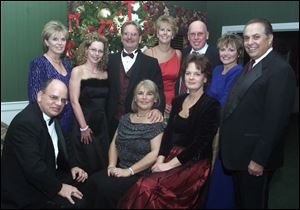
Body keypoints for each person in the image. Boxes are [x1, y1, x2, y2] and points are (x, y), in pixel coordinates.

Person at [119, 54, 220, 209]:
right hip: (171, 155)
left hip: (194, 163)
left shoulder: (211, 105)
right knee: (142, 184)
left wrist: (168, 166)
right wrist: (160, 159)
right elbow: (168, 135)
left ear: (205, 79)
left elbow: (199, 145)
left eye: (197, 74)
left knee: (149, 188)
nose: (191, 78)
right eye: (188, 73)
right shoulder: (178, 100)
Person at [220, 18, 296, 209]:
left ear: (269, 39)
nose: (250, 42)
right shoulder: (251, 64)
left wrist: (259, 159)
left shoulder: (280, 70)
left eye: (256, 37)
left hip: (254, 158)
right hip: (240, 155)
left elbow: (276, 120)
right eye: (246, 38)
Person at [1, 79, 89, 209]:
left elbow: (64, 146)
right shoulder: (26, 123)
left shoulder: (51, 115)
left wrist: (73, 165)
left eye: (63, 100)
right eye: (54, 97)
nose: (59, 104)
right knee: (77, 204)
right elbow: (33, 167)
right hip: (26, 189)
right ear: (40, 96)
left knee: (87, 183)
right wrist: (59, 188)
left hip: (48, 174)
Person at [88, 80, 165, 208]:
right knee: (92, 181)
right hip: (120, 168)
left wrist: (129, 171)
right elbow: (114, 144)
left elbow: (155, 153)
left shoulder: (157, 123)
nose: (144, 97)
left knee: (106, 191)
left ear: (155, 99)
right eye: (140, 93)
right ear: (135, 98)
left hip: (140, 174)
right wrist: (111, 166)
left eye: (149, 94)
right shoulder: (125, 118)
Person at [107, 20, 165, 139]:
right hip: (110, 121)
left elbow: (158, 90)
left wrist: (158, 109)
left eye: (133, 34)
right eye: (126, 34)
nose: (129, 37)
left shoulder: (151, 63)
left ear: (139, 38)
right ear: (121, 37)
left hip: (138, 122)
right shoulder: (109, 60)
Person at [205, 33, 244, 209]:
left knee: (221, 169)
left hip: (223, 127)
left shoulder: (238, 72)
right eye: (222, 49)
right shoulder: (216, 70)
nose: (226, 53)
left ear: (238, 53)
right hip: (210, 124)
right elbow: (208, 96)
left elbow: (226, 102)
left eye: (231, 50)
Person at [69, 32, 110, 175]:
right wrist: (83, 127)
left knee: (102, 165)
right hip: (84, 124)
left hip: (102, 126)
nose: (96, 54)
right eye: (93, 49)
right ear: (86, 49)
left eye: (100, 51)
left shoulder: (106, 73)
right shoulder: (77, 71)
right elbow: (74, 101)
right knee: (86, 164)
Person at [28, 20, 73, 136]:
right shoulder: (39, 63)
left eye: (63, 39)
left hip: (68, 120)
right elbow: (34, 97)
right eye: (55, 39)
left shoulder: (67, 64)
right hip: (49, 122)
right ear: (46, 42)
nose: (60, 43)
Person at [144, 15, 182, 121]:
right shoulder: (148, 53)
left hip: (174, 104)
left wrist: (176, 103)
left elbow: (180, 83)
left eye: (169, 30)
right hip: (153, 103)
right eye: (162, 30)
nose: (165, 33)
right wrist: (160, 103)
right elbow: (144, 84)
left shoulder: (178, 54)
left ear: (173, 34)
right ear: (157, 33)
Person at [175, 20, 221, 96]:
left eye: (200, 34)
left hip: (205, 104)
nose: (196, 38)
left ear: (207, 35)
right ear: (188, 37)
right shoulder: (183, 53)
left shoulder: (217, 56)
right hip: (181, 101)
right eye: (192, 34)